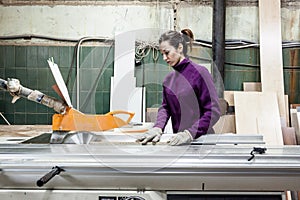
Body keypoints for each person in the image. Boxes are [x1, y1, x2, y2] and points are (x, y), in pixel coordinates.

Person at [137, 29, 221, 146]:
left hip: (202, 141)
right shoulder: (169, 80)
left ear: (180, 48)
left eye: (167, 53)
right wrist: (158, 127)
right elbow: (165, 108)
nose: (165, 58)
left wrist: (190, 133)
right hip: (179, 142)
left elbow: (213, 111)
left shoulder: (200, 73)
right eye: (162, 54)